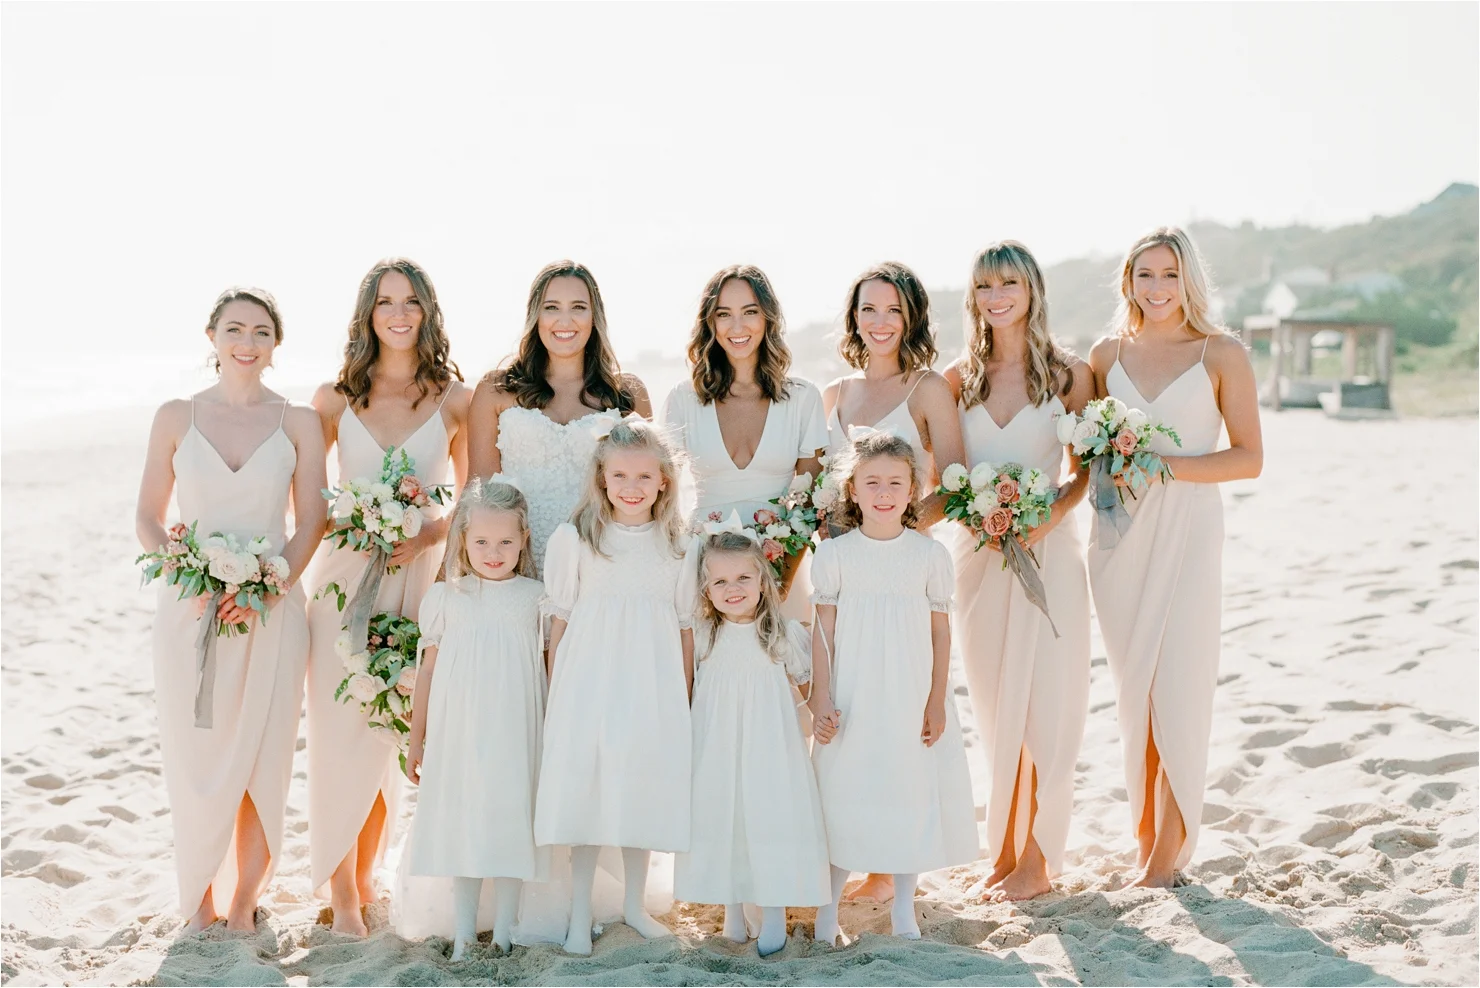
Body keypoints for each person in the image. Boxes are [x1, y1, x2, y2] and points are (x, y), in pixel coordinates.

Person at [135, 287, 327, 932]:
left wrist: (271, 586)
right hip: (192, 611)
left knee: (263, 758)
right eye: (236, 329)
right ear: (212, 337)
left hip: (273, 610)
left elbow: (313, 519)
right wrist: (187, 576)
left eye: (262, 332)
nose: (248, 342)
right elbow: (148, 517)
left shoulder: (298, 421)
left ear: (276, 344)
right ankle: (199, 899)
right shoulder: (175, 415)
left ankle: (244, 901)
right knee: (197, 757)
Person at [1086, 227, 1262, 888]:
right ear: (1127, 282)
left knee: (1178, 687)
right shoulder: (1105, 355)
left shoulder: (1221, 353)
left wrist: (1164, 466)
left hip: (1189, 530)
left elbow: (1249, 457)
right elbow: (1088, 452)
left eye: (1169, 275)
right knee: (1136, 693)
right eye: (1145, 275)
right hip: (1119, 539)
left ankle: (1168, 850)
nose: (1157, 288)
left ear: (1189, 280)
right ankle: (1145, 837)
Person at [306, 258, 469, 935]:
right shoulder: (333, 399)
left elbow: (475, 498)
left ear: (427, 311)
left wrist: (428, 530)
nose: (398, 314)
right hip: (343, 582)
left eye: (410, 301)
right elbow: (309, 502)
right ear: (367, 314)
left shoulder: (455, 399)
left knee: (389, 730)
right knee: (338, 731)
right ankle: (342, 891)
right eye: (385, 302)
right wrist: (358, 519)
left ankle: (368, 874)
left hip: (416, 579)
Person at [942, 241, 1093, 901]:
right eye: (984, 286)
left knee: (1048, 704)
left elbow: (1085, 472)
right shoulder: (957, 379)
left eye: (1008, 283)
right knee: (997, 705)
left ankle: (1037, 857)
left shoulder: (1069, 375)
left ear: (1032, 290)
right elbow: (944, 477)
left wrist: (1047, 515)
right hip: (977, 559)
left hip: (1049, 551)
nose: (996, 297)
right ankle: (1003, 848)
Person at [533, 416, 697, 955]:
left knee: (639, 788)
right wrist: (555, 687)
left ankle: (634, 905)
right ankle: (580, 912)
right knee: (589, 791)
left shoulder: (679, 545)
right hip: (590, 681)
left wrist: (684, 693)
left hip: (653, 683)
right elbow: (559, 619)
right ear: (602, 479)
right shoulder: (576, 538)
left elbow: (685, 626)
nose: (632, 487)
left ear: (664, 481)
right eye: (620, 476)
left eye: (644, 477)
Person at [806, 431, 978, 944]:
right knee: (843, 790)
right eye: (872, 483)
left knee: (909, 788)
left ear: (912, 490)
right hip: (852, 694)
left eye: (896, 483)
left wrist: (936, 699)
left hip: (909, 693)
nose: (884, 493)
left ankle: (905, 907)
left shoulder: (928, 555)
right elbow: (822, 631)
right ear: (852, 490)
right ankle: (827, 910)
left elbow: (941, 632)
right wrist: (820, 697)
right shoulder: (835, 555)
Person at [397, 479, 547, 958]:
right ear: (462, 539)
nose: (493, 553)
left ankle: (504, 931)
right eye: (481, 541)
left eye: (505, 542)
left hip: (516, 730)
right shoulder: (446, 597)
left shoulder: (537, 598)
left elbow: (548, 668)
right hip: (460, 732)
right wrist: (416, 740)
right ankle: (464, 932)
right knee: (464, 822)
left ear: (524, 540)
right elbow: (427, 672)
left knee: (512, 820)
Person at [673, 525, 831, 957]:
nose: (733, 589)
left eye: (743, 577)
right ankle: (734, 913)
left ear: (763, 579)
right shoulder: (702, 635)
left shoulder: (780, 633)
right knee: (726, 820)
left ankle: (773, 914)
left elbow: (808, 687)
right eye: (720, 582)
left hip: (770, 749)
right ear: (706, 591)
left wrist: (823, 716)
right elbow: (685, 691)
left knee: (769, 821)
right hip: (718, 749)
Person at [466, 260, 650, 575]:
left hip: (602, 567)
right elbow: (476, 496)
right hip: (515, 566)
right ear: (535, 316)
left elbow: (648, 499)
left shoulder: (628, 394)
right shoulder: (496, 391)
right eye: (551, 307)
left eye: (578, 307)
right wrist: (449, 582)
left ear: (595, 317)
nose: (565, 320)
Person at [659, 265, 826, 600]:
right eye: (724, 314)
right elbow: (662, 496)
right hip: (704, 572)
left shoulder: (803, 398)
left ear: (768, 317)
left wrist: (780, 583)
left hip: (782, 569)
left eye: (750, 312)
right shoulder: (683, 400)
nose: (737, 327)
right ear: (710, 322)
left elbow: (809, 503)